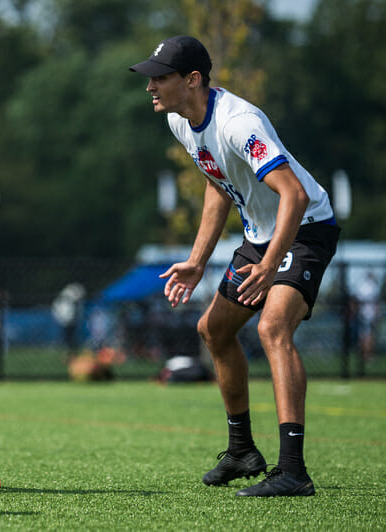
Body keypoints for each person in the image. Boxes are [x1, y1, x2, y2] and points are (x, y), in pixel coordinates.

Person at [130, 36, 340, 497]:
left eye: (160, 77)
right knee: (213, 330)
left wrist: (269, 263)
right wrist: (196, 261)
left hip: (304, 228)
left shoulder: (238, 123)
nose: (151, 86)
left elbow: (295, 194)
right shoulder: (180, 122)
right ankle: (243, 451)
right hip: (259, 236)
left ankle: (293, 471)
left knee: (272, 329)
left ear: (193, 80)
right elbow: (218, 187)